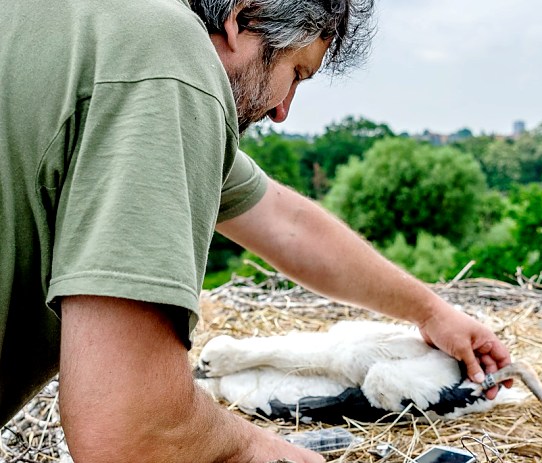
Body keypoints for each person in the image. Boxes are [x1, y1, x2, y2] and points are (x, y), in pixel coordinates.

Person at [0, 0, 512, 461]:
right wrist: (271, 452)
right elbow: (137, 431)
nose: (283, 112)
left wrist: (432, 311)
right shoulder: (166, 57)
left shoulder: (91, 27)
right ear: (241, 14)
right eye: (297, 72)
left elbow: (286, 223)